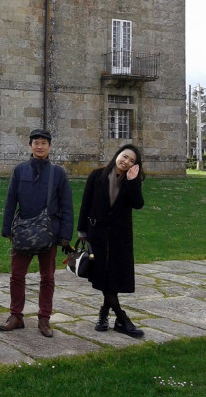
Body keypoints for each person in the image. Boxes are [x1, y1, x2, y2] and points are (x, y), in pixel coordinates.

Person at [0, 129, 74, 338]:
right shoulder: (20, 170)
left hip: (49, 233)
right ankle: (16, 315)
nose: (39, 146)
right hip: (23, 231)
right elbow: (11, 200)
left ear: (49, 147)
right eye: (36, 143)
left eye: (43, 143)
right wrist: (7, 229)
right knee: (17, 276)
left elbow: (67, 205)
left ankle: (44, 318)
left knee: (47, 277)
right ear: (30, 146)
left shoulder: (58, 173)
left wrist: (65, 234)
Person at [77, 144, 145, 338]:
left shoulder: (131, 180)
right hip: (97, 234)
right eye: (125, 157)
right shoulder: (96, 175)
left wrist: (132, 181)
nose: (126, 162)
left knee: (112, 276)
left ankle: (105, 315)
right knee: (102, 275)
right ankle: (121, 318)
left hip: (119, 236)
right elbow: (86, 203)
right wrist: (82, 231)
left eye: (132, 161)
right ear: (117, 155)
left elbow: (137, 204)